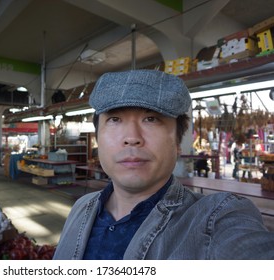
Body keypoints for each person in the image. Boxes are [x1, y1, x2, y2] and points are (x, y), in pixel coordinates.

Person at [53, 69, 274, 260]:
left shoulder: (216, 219)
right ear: (98, 138)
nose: (132, 137)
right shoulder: (81, 207)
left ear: (178, 142)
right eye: (114, 119)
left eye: (151, 119)